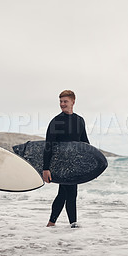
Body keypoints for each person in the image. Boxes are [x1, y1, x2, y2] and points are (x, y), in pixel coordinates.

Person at [43, 90, 89, 228]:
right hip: (61, 164)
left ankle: (51, 223)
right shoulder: (56, 121)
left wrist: (91, 167)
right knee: (71, 192)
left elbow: (85, 143)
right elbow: (48, 146)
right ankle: (73, 225)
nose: (62, 104)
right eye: (61, 102)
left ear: (73, 102)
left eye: (65, 101)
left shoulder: (79, 120)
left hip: (73, 164)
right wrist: (46, 168)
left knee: (63, 193)